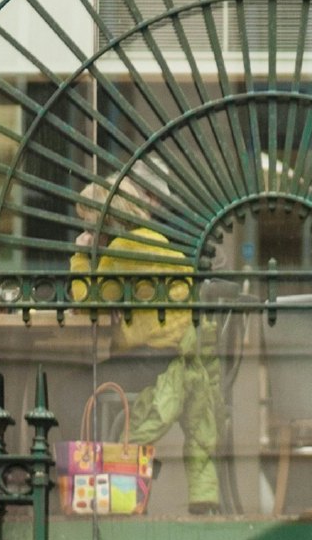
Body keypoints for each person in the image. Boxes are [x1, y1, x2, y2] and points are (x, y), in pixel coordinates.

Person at [72, 173, 223, 515]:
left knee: (76, 387)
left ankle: (100, 491)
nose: (89, 229)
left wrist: (81, 256)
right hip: (174, 351)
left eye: (89, 222)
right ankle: (122, 475)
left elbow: (88, 300)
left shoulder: (125, 247)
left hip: (152, 357)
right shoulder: (154, 239)